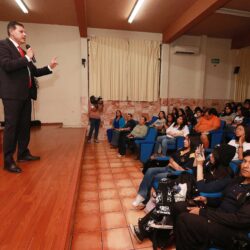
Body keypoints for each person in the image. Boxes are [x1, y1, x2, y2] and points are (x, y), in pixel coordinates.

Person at [0, 21, 58, 173]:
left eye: (25, 32)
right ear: (12, 32)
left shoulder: (22, 51)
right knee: (12, 127)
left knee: (25, 126)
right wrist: (27, 58)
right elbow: (7, 65)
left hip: (26, 94)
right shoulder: (3, 46)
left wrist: (49, 67)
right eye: (21, 31)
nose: (24, 34)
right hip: (12, 95)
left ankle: (23, 153)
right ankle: (8, 161)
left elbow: (34, 72)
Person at [174, 150, 250, 250]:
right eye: (244, 161)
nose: (245, 166)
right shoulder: (237, 180)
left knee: (185, 219)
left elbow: (239, 220)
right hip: (218, 216)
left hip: (232, 231)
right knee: (180, 206)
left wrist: (203, 213)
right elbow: (223, 200)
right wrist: (207, 200)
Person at [132, 136, 195, 208]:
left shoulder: (192, 155)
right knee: (150, 170)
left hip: (174, 174)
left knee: (152, 177)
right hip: (167, 168)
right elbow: (170, 158)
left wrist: (173, 163)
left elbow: (182, 170)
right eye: (184, 139)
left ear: (192, 142)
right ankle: (141, 196)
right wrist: (173, 163)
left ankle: (144, 199)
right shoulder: (181, 149)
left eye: (187, 140)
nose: (184, 141)